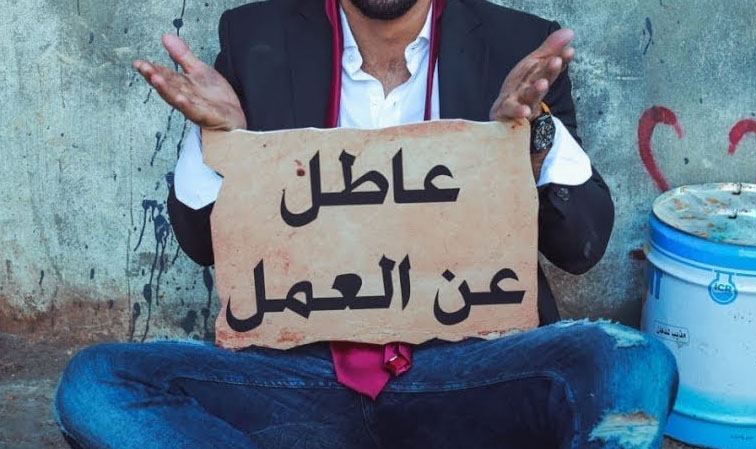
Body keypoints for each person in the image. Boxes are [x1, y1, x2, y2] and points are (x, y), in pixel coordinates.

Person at [53, 0, 678, 447]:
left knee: (636, 365)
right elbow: (198, 242)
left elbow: (581, 246)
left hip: (473, 373)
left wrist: (529, 135)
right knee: (95, 384)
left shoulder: (515, 47)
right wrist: (225, 141)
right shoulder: (256, 37)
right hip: (303, 377)